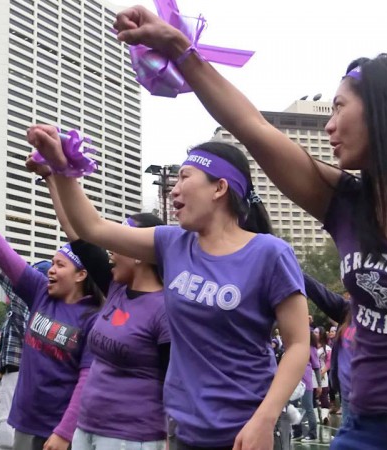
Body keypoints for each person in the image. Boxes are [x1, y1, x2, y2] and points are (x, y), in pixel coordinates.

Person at [111, 11, 387, 448]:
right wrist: (181, 51)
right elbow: (253, 129)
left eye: (339, 108)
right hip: (363, 427)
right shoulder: (348, 202)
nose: (329, 125)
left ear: (386, 113)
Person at [28, 128, 310, 450]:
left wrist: (265, 418)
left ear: (219, 188)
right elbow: (93, 228)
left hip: (246, 430)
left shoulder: (270, 253)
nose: (173, 191)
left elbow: (298, 343)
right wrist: (63, 169)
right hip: (182, 432)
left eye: (184, 178)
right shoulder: (172, 243)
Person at [26, 156, 172, 450]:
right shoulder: (117, 287)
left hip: (132, 439)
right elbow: (77, 232)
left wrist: (169, 437)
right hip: (88, 429)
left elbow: (174, 382)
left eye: (119, 242)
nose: (110, 250)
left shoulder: (166, 310)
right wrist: (52, 177)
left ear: (140, 251)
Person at [0, 186, 105, 450]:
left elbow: (87, 379)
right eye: (52, 263)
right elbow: (5, 255)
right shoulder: (40, 293)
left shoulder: (93, 318)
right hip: (24, 422)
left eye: (60, 265)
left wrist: (64, 432)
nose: (51, 270)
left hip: (59, 431)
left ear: (81, 275)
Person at [0, 240, 50, 450]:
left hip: (17, 371)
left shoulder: (26, 296)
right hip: (30, 373)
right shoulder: (50, 305)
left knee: (6, 426)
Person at [304, 274, 354, 424]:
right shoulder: (347, 310)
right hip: (348, 395)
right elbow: (319, 292)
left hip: (378, 400)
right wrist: (291, 265)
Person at [292, 330, 321, 443]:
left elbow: (317, 367)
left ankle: (313, 434)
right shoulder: (294, 346)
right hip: (293, 382)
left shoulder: (311, 348)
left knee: (308, 407)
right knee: (293, 408)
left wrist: (319, 384)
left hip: (305, 382)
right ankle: (297, 432)